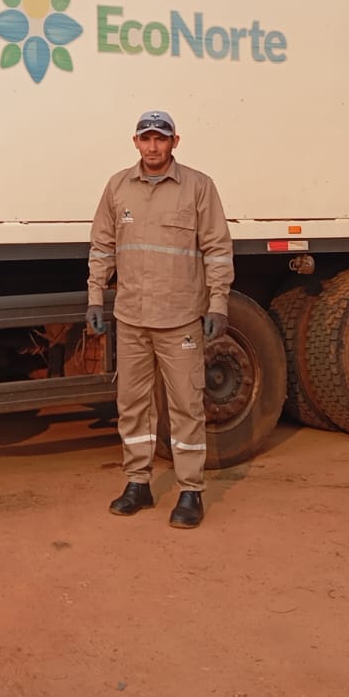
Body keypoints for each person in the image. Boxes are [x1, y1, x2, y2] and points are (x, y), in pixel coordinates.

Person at [86, 109, 234, 529]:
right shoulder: (118, 187)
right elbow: (102, 247)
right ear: (135, 142)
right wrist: (95, 297)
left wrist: (218, 303)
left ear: (174, 142)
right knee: (132, 405)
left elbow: (217, 249)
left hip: (180, 318)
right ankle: (138, 483)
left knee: (186, 406)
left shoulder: (198, 187)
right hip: (132, 318)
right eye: (146, 138)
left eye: (161, 138)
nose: (153, 146)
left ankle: (190, 491)